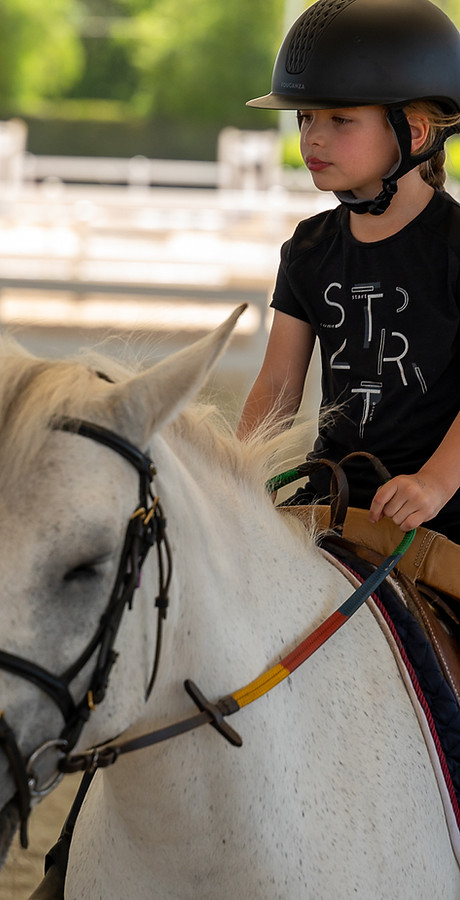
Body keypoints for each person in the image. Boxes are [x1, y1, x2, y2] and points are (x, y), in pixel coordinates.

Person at [237, 0, 460, 543]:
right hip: (328, 498)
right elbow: (277, 384)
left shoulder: (455, 246)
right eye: (306, 118)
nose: (312, 137)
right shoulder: (309, 249)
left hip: (439, 512)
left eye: (339, 119)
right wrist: (234, 472)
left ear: (414, 132)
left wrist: (432, 483)